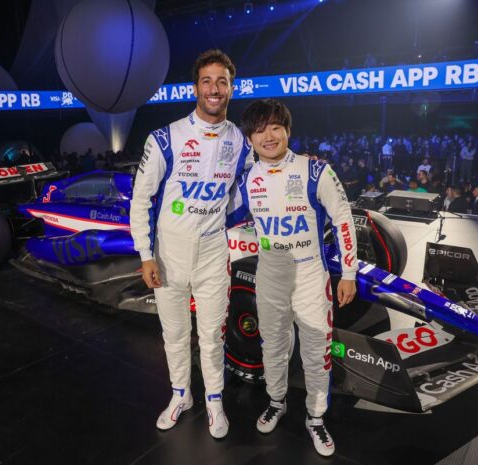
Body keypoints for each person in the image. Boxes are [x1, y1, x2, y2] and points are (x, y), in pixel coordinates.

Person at [129, 49, 252, 439]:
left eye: (222, 81)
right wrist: (146, 254)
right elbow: (140, 200)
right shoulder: (165, 138)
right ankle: (181, 395)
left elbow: (255, 185)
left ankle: (214, 400)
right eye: (207, 81)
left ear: (231, 88)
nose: (214, 89)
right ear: (195, 88)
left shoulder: (241, 142)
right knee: (175, 334)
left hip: (214, 252)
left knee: (213, 335)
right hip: (169, 254)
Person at [237, 99, 357, 457]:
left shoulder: (315, 170)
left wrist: (348, 273)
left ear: (288, 130)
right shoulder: (246, 179)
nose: (268, 136)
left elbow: (343, 218)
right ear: (250, 138)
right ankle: (277, 401)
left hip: (309, 275)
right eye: (259, 130)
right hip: (269, 277)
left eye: (275, 127)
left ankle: (316, 418)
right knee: (272, 346)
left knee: (316, 350)